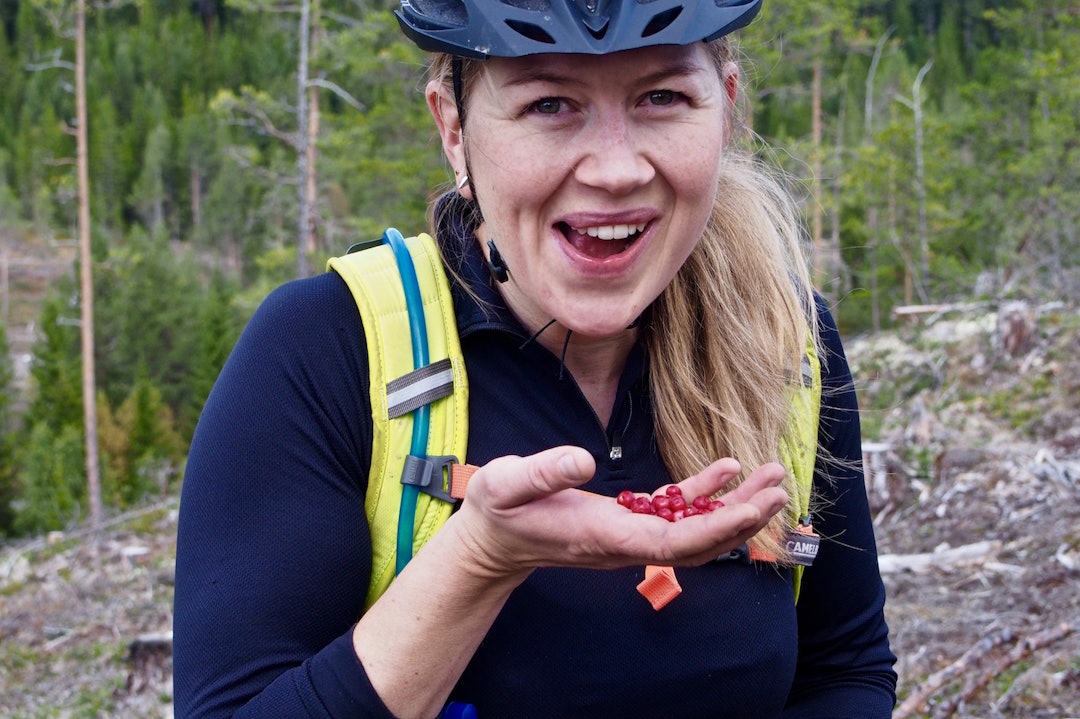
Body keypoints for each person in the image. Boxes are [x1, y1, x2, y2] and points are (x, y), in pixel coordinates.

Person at [173, 1, 898, 717]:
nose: (616, 169)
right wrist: (481, 558)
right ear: (453, 131)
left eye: (663, 97)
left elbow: (844, 669)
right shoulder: (327, 350)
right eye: (550, 103)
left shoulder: (781, 340)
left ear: (727, 110)